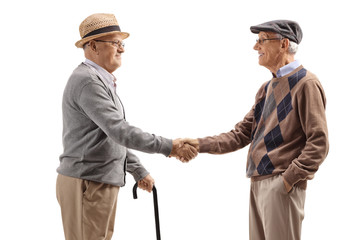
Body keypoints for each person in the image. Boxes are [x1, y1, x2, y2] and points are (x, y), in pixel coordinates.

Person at [181, 20, 329, 240]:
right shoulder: (267, 88)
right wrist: (199, 144)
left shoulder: (306, 83)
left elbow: (319, 142)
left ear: (284, 44)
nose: (255, 47)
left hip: (281, 184)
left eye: (262, 40)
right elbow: (241, 134)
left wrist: (288, 179)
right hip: (258, 182)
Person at [56, 13, 196, 240]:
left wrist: (137, 170)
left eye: (122, 43)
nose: (122, 49)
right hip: (88, 182)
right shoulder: (89, 81)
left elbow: (107, 136)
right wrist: (169, 146)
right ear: (93, 46)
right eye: (115, 43)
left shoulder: (98, 80)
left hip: (96, 180)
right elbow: (119, 131)